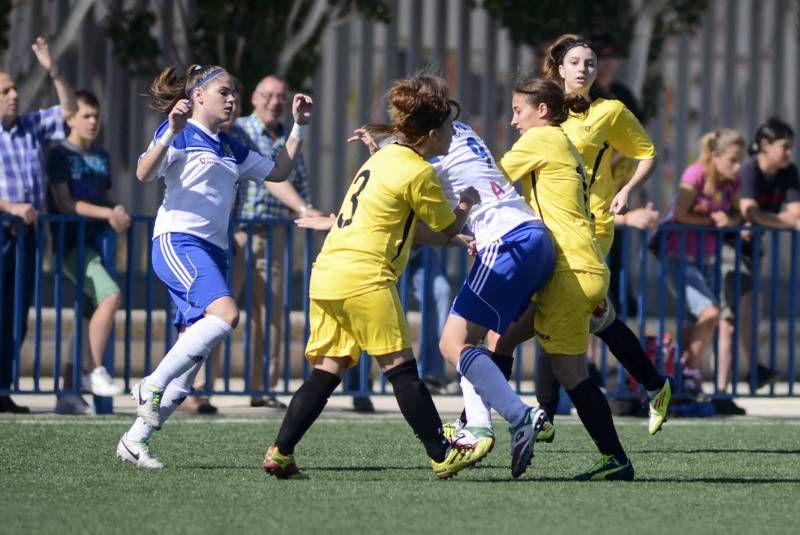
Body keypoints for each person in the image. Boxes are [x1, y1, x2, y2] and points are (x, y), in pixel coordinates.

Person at [262, 76, 488, 480]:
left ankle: (281, 451)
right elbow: (445, 225)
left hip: (328, 272)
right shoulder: (419, 172)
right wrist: (468, 202)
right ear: (432, 134)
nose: (452, 136)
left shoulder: (382, 158)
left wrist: (456, 239)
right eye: (449, 130)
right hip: (365, 278)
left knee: (328, 368)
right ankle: (440, 453)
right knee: (401, 368)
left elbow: (408, 228)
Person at [115, 64, 312, 469]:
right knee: (227, 315)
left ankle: (135, 441)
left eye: (235, 93)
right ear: (199, 95)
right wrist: (170, 128)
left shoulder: (232, 145)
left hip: (213, 253)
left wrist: (298, 127)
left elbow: (278, 172)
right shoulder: (180, 130)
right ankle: (150, 384)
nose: (232, 99)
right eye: (224, 91)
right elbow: (143, 173)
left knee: (187, 376)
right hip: (178, 242)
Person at [482, 78, 634, 481]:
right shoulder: (559, 141)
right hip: (576, 268)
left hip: (570, 273)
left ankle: (614, 458)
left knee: (571, 374)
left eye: (518, 111)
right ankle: (475, 426)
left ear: (542, 111)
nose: (514, 120)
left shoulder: (542, 138)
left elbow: (488, 179)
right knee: (503, 336)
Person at [536, 34, 670, 438]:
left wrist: (626, 191)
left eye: (590, 63)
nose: (583, 69)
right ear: (559, 67)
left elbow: (646, 152)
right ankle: (655, 384)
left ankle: (543, 414)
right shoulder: (544, 112)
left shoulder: (609, 111)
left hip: (592, 228)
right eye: (575, 62)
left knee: (555, 309)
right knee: (588, 317)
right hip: (549, 226)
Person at [232, 75, 322, 409]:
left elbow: (297, 180)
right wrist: (303, 207)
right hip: (238, 231)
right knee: (217, 311)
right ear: (254, 98)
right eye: (268, 95)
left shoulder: (289, 135)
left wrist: (307, 213)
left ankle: (263, 388)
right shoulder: (238, 129)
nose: (274, 101)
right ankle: (196, 388)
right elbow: (269, 177)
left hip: (275, 235)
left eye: (281, 96)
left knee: (270, 315)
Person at [0, 37, 76, 413]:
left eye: (14, 88)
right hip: (3, 225)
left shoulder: (31, 125)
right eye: (5, 91)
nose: (14, 95)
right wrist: (9, 206)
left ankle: (2, 389)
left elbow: (69, 109)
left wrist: (53, 70)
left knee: (17, 313)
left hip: (27, 232)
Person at [47, 89, 130, 414]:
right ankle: (93, 371)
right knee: (110, 296)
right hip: (71, 246)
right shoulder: (58, 154)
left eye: (96, 116)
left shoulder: (102, 156)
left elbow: (104, 199)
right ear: (70, 119)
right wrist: (107, 213)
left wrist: (116, 210)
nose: (93, 121)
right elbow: (66, 203)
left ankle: (67, 392)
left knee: (85, 317)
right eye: (86, 115)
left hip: (99, 245)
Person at [717, 118, 800, 411]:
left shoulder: (788, 171)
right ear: (765, 145)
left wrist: (769, 220)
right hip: (724, 249)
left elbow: (795, 213)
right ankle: (720, 390)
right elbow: (749, 211)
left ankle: (749, 372)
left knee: (748, 311)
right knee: (726, 320)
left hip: (750, 251)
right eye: (785, 147)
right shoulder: (750, 167)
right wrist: (781, 222)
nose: (790, 153)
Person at [663, 129, 745, 404]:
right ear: (716, 156)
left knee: (693, 322)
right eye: (732, 160)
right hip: (679, 258)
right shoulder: (695, 173)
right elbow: (679, 213)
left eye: (740, 161)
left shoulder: (730, 183)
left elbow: (737, 213)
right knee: (710, 313)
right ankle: (690, 371)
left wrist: (729, 220)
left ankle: (682, 382)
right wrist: (712, 220)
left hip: (708, 259)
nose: (737, 167)